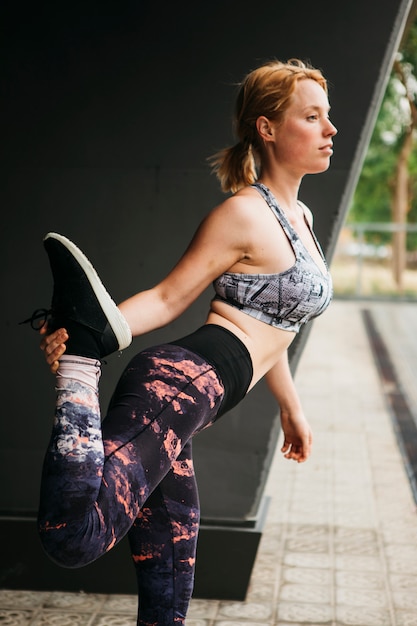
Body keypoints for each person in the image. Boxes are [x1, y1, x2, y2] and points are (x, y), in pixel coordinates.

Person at [27, 58, 337, 625]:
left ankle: (83, 351)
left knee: (170, 577)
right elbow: (170, 297)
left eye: (328, 117)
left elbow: (278, 326)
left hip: (195, 401)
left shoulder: (302, 216)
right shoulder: (242, 213)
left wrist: (293, 411)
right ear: (267, 128)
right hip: (180, 384)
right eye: (312, 117)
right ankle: (78, 370)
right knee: (73, 536)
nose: (329, 129)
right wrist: (90, 336)